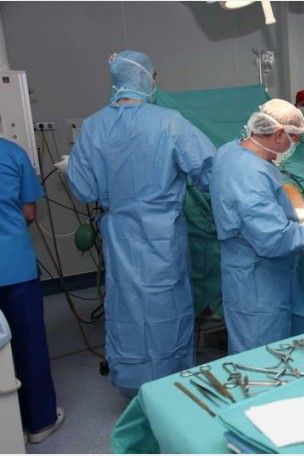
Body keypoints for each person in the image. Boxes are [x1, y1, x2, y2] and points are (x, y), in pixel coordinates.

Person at [58, 50, 216, 397]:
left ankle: (134, 384)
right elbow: (209, 173)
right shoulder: (170, 122)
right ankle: (171, 384)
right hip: (163, 236)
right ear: (148, 78)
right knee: (166, 305)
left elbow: (84, 190)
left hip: (120, 236)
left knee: (128, 305)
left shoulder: (93, 127)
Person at [210, 99, 304, 354]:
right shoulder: (252, 175)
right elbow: (275, 240)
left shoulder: (229, 152)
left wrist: (289, 213)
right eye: (294, 138)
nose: (296, 144)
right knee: (262, 355)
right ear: (279, 134)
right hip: (259, 283)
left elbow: (249, 210)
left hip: (239, 272)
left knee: (244, 347)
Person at [0, 135, 64, 443]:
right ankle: (39, 422)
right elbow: (29, 213)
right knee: (29, 344)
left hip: (14, 266)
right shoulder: (12, 154)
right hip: (14, 266)